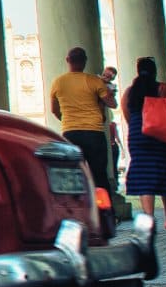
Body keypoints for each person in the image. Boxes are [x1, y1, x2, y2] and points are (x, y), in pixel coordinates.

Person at [121, 56, 166, 230]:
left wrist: (138, 126)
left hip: (138, 134)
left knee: (143, 174)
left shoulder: (130, 91)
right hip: (163, 136)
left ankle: (149, 219)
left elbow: (126, 112)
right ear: (154, 71)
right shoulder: (163, 88)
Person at [48, 46, 116, 197]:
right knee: (99, 175)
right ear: (85, 61)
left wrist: (66, 119)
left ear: (67, 60)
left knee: (73, 175)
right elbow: (112, 104)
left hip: (70, 133)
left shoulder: (58, 82)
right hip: (94, 133)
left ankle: (77, 211)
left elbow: (54, 110)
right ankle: (107, 214)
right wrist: (108, 91)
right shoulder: (94, 81)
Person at [102, 67, 123, 180]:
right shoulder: (97, 81)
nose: (105, 78)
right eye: (105, 75)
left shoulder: (110, 87)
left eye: (109, 77)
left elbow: (113, 104)